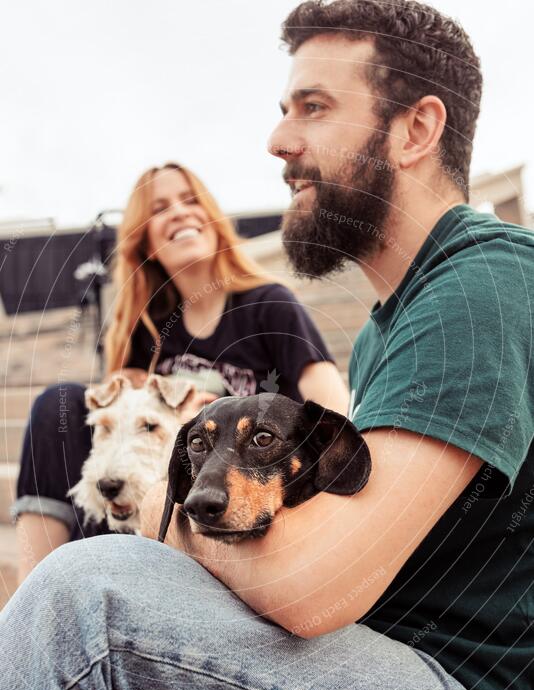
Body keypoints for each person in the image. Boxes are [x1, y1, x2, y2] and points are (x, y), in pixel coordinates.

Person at [1, 0, 533, 690]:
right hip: (382, 680)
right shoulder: (388, 326)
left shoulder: (482, 284)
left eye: (312, 108)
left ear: (416, 130)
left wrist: (165, 510)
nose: (278, 141)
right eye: (285, 110)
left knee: (85, 604)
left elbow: (315, 583)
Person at [12, 162, 348, 582]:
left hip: (231, 497)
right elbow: (119, 432)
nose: (179, 212)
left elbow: (331, 406)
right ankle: (33, 592)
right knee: (54, 406)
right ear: (145, 238)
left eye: (190, 201)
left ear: (211, 218)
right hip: (152, 501)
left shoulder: (268, 304)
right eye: (160, 208)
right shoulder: (147, 325)